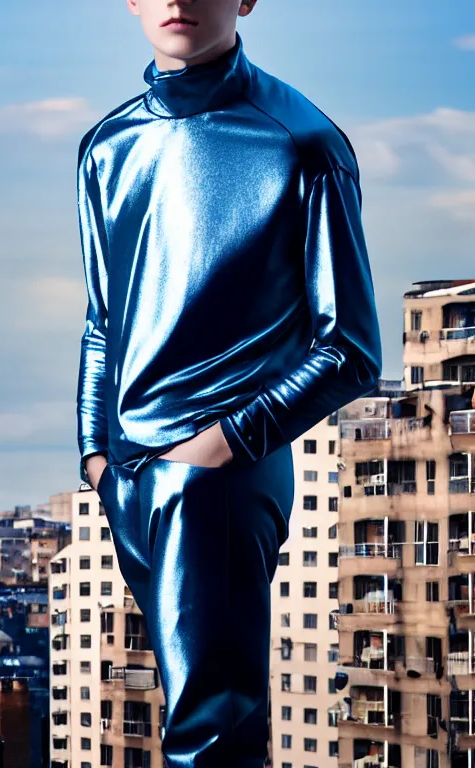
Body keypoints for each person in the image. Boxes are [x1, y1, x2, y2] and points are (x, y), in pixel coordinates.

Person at [75, 1, 383, 766]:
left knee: (210, 743)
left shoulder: (302, 140)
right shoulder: (106, 145)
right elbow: (101, 319)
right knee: (194, 729)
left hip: (218, 475)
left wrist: (221, 447)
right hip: (129, 474)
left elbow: (350, 348)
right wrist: (94, 456)